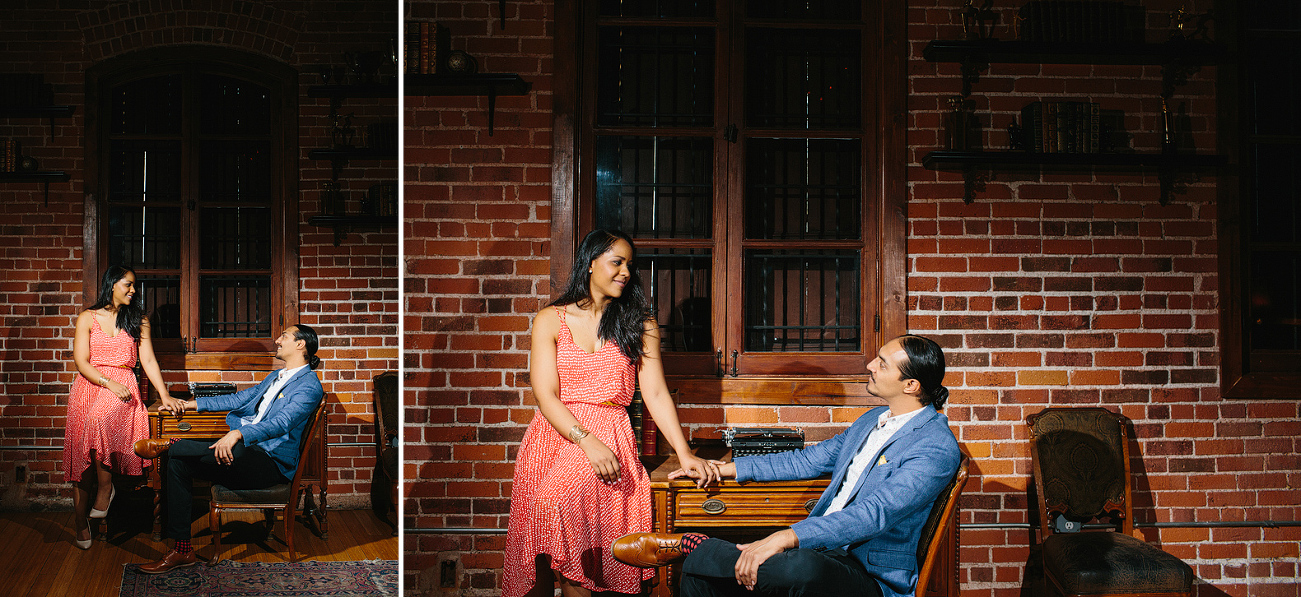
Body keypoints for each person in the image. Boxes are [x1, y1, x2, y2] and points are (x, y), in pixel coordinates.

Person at [611, 335, 961, 597]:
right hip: (826, 552)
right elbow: (809, 458)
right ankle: (702, 552)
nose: (870, 365)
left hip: (869, 575)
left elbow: (873, 515)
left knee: (799, 565)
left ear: (911, 385)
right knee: (698, 577)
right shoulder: (873, 419)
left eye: (882, 363)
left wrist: (784, 537)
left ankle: (693, 545)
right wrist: (722, 469)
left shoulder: (934, 445)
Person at [503, 229, 718, 597]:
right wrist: (587, 441)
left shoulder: (640, 325)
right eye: (616, 262)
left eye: (629, 266)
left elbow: (654, 392)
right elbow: (546, 394)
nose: (625, 273)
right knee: (546, 539)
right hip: (555, 437)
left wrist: (684, 452)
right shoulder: (550, 319)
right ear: (589, 264)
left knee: (575, 533)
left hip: (612, 431)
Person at [131, 323, 325, 573]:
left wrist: (238, 433)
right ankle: (182, 549)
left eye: (284, 336)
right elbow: (237, 399)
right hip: (248, 454)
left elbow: (282, 423)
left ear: (301, 344)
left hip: (270, 464)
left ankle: (171, 444)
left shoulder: (308, 386)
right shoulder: (275, 377)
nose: (277, 340)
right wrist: (188, 405)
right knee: (178, 464)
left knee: (238, 448)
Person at [63, 265, 177, 549]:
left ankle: (105, 488)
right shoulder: (87, 318)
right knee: (82, 457)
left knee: (98, 421)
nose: (133, 290)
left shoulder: (139, 319)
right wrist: (107, 383)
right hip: (90, 386)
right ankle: (80, 521)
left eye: (134, 285)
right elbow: (81, 361)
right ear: (112, 284)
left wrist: (164, 395)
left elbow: (148, 361)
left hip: (123, 388)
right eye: (128, 284)